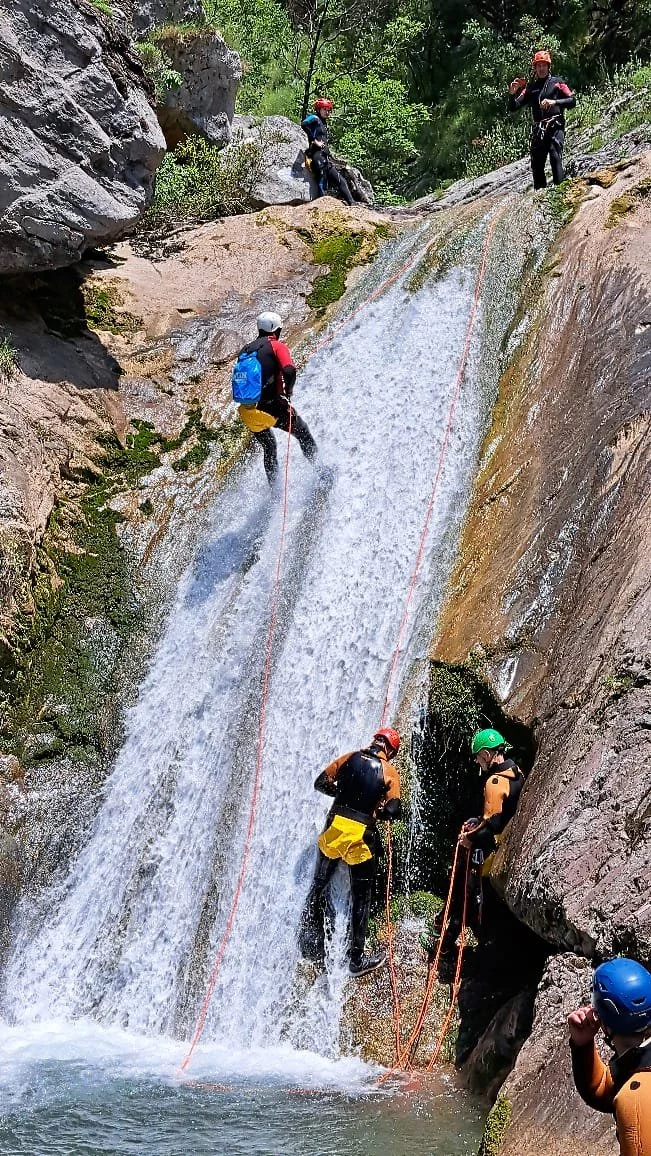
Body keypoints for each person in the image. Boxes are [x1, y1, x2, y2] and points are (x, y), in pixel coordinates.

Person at [299, 727, 401, 977]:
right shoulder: (389, 772)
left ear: (375, 740)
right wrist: (374, 809)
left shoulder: (349, 757)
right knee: (361, 897)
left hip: (334, 829)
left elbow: (320, 783)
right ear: (390, 750)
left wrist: (343, 795)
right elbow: (393, 811)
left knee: (318, 882)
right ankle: (356, 960)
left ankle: (305, 928)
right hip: (359, 836)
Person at [425, 728, 525, 977]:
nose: (477, 762)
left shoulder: (494, 783)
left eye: (478, 757)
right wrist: (477, 822)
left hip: (488, 852)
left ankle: (444, 948)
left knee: (465, 898)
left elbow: (491, 824)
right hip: (506, 846)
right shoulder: (517, 772)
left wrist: (468, 838)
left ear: (487, 754)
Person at [568, 957, 651, 1155]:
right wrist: (582, 1045)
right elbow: (604, 1089)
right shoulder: (635, 1062)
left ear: (603, 1023)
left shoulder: (636, 1100)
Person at [234, 312, 318, 486]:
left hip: (247, 411)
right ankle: (321, 472)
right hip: (270, 407)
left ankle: (274, 491)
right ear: (275, 329)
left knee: (269, 447)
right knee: (302, 432)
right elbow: (289, 370)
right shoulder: (276, 346)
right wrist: (288, 392)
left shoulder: (246, 350)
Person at [508, 50, 576, 189]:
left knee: (555, 156)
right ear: (535, 68)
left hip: (555, 126)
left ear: (548, 66)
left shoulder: (557, 82)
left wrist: (554, 102)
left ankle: (560, 191)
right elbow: (513, 107)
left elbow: (572, 101)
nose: (541, 68)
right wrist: (512, 94)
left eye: (544, 65)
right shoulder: (531, 88)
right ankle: (540, 195)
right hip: (539, 130)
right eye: (538, 65)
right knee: (537, 164)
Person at [301, 98, 355, 207]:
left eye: (328, 110)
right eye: (324, 109)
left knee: (341, 181)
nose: (327, 112)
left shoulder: (323, 123)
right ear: (319, 109)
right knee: (322, 180)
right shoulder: (315, 118)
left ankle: (353, 204)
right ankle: (322, 206)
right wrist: (314, 141)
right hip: (317, 155)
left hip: (325, 157)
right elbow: (304, 124)